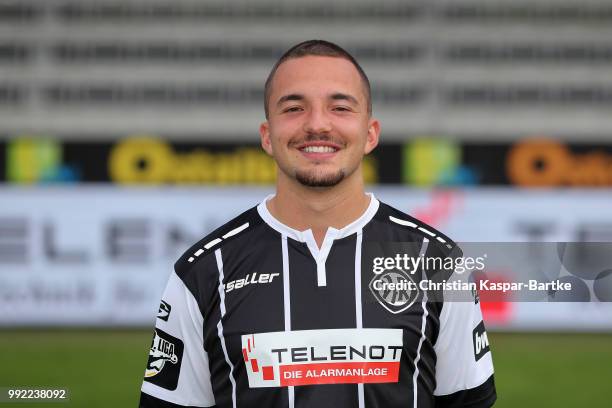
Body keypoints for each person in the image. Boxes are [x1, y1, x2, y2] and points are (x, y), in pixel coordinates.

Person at [139, 40, 496, 408]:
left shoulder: (438, 262)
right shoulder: (202, 273)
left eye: (340, 107)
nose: (317, 124)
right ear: (267, 136)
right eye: (294, 108)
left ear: (371, 133)